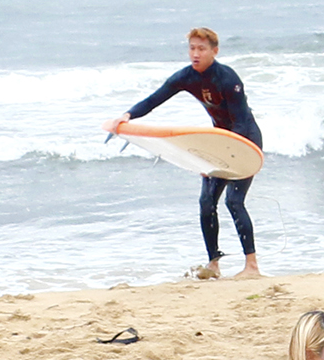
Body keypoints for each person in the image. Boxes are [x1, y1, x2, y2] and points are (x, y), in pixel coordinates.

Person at [107, 27, 263, 280]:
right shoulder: (186, 77)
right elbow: (155, 99)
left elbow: (241, 123)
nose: (195, 54)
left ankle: (252, 266)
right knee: (206, 202)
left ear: (215, 51)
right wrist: (127, 116)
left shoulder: (227, 78)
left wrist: (224, 156)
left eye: (201, 49)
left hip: (244, 141)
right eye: (192, 48)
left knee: (234, 202)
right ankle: (214, 264)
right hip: (220, 142)